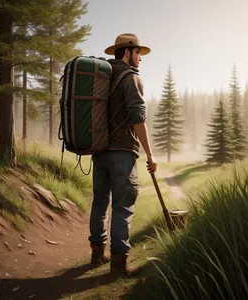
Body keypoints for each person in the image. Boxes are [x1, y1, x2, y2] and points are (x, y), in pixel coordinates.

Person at [88, 33, 157, 277]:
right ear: (127, 52)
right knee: (122, 207)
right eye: (138, 53)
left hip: (99, 150)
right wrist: (150, 154)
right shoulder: (131, 78)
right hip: (122, 153)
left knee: (99, 202)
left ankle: (97, 254)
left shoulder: (103, 77)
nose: (140, 59)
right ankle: (118, 266)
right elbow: (138, 118)